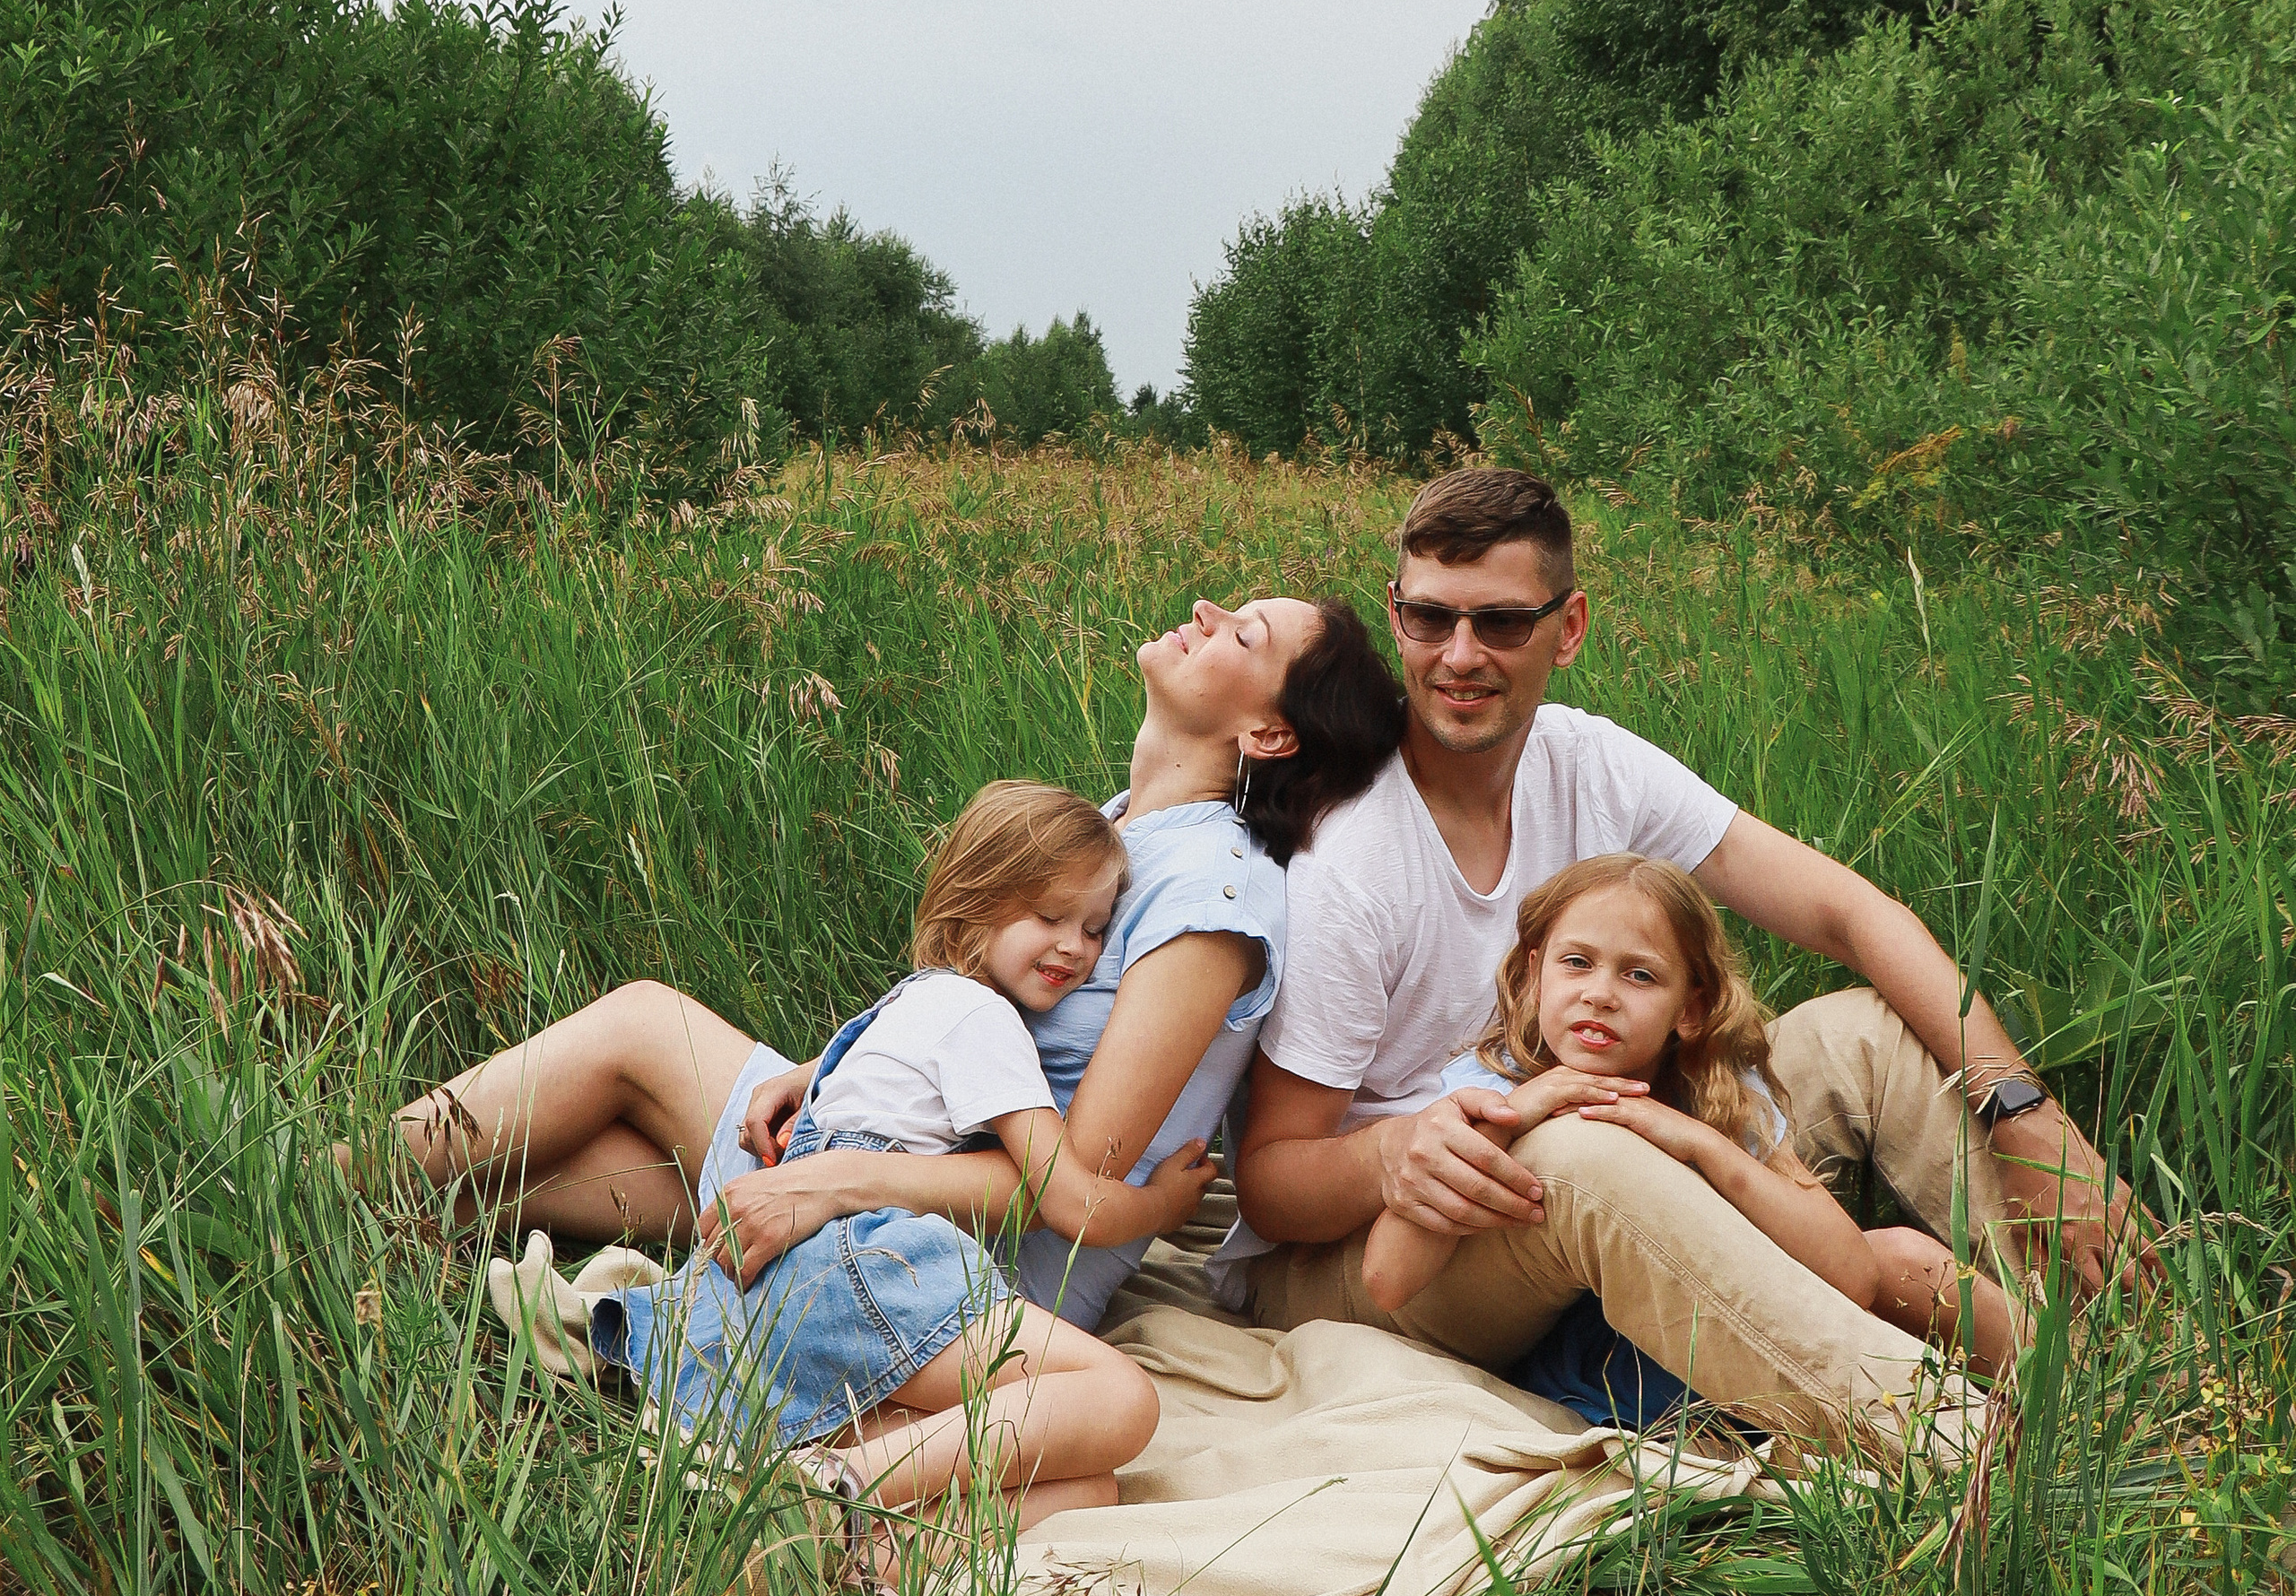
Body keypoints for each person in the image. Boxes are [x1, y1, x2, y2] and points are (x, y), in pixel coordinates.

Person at [1233, 468, 2151, 1453]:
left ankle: (2142, 1351)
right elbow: (1270, 1183)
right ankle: (1970, 1450)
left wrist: (2024, 1114)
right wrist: (1401, 1152)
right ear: (1398, 615)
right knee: (1582, 1150)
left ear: (1567, 626)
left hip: (1596, 1133)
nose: (1459, 656)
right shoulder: (1354, 858)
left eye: (1500, 623)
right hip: (1385, 1249)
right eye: (1429, 619)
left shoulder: (1587, 762)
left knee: (1861, 1032)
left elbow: (1846, 911)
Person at [382, 591, 1403, 1357]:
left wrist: (834, 1177)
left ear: (1268, 734)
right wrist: (837, 1058)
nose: (1206, 610)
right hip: (906, 1161)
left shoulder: (1212, 895)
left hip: (970, 1264)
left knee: (644, 1027)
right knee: (606, 1148)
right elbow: (976, 1014)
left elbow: (1072, 1183)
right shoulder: (1131, 829)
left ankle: (340, 1182)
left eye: (1245, 634)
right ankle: (412, 1219)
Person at [529, 783, 1211, 1535]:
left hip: (784, 1275)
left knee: (1085, 1489)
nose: (1073, 947)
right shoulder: (986, 1021)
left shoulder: (914, 1000)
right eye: (1048, 917)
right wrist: (1161, 1207)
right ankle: (837, 1486)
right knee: (1119, 1398)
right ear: (970, 905)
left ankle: (842, 1553)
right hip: (864, 1263)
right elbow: (1067, 1201)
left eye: (1094, 927)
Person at [1363, 853, 2015, 1431]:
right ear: (1535, 975)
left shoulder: (1718, 1091)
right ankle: (1952, 1440)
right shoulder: (1491, 1082)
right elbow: (1388, 1278)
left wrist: (1705, 1146)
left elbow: (1851, 1272)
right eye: (1577, 963)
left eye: (1640, 976)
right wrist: (1510, 1117)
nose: (1600, 994)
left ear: (1691, 1009)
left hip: (1740, 1332)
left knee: (1907, 1259)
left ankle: (2065, 1386)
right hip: (1606, 1380)